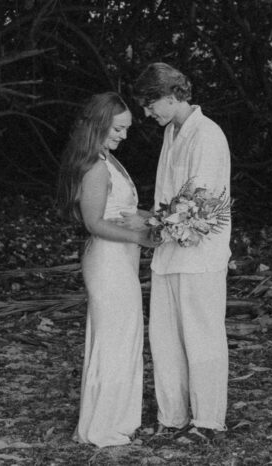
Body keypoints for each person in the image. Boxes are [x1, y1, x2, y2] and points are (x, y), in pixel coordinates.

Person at [134, 63, 232, 442]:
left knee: (202, 337)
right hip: (168, 255)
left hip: (200, 256)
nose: (147, 113)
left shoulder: (207, 135)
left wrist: (152, 225)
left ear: (173, 96)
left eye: (150, 103)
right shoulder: (173, 132)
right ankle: (172, 417)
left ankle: (208, 423)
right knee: (166, 339)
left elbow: (201, 204)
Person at [56, 92, 157, 447]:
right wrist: (143, 238)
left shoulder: (107, 160)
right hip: (108, 261)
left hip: (121, 259)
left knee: (123, 338)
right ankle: (102, 426)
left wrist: (158, 219)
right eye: (118, 128)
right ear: (100, 124)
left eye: (126, 129)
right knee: (114, 340)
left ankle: (114, 418)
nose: (123, 136)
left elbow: (122, 211)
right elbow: (95, 223)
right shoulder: (96, 167)